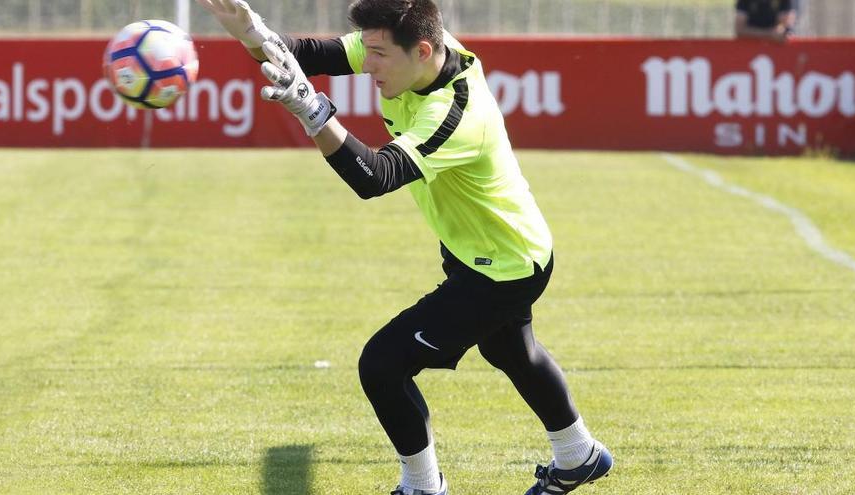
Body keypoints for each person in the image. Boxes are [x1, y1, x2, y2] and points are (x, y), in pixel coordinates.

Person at [196, 0, 613, 493]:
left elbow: (375, 176)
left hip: (503, 267)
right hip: (490, 249)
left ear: (421, 50)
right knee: (511, 351)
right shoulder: (413, 47)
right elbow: (305, 55)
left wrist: (313, 111)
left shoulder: (456, 114)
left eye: (377, 55)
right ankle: (578, 454)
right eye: (365, 51)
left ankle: (422, 486)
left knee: (382, 365)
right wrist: (252, 31)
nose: (366, 65)